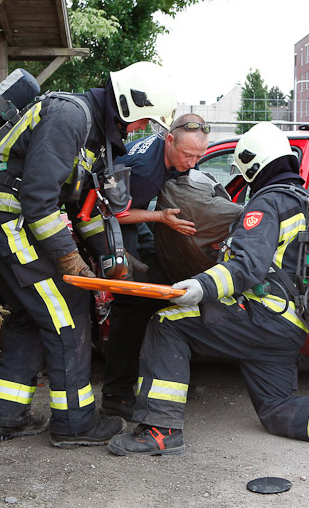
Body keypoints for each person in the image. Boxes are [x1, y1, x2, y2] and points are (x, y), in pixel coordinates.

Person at [106, 122, 309, 459]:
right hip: (291, 327)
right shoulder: (306, 201)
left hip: (261, 316)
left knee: (168, 322)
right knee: (276, 409)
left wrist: (201, 285)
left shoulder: (267, 203)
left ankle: (159, 431)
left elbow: (247, 267)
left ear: (256, 165)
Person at [0, 62, 177, 447]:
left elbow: (83, 209)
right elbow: (37, 201)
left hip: (13, 215)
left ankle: (6, 417)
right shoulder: (69, 117)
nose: (140, 130)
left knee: (33, 316)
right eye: (143, 120)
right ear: (130, 105)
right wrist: (70, 260)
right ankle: (74, 424)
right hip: (7, 215)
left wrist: (114, 258)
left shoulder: (94, 134)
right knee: (68, 309)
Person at [100, 114, 210, 420]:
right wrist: (161, 218)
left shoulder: (179, 157)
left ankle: (154, 378)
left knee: (165, 288)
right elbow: (113, 214)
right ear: (169, 140)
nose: (192, 163)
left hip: (135, 220)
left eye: (199, 156)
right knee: (133, 301)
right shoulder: (145, 171)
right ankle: (115, 395)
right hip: (106, 223)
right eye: (188, 155)